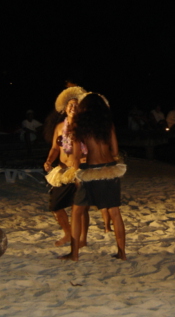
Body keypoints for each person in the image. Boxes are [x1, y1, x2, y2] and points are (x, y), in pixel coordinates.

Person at [67, 92, 127, 261]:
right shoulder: (108, 124)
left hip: (92, 170)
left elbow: (76, 156)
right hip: (110, 169)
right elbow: (115, 151)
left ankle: (74, 254)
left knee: (77, 211)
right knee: (115, 212)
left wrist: (76, 175)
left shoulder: (79, 125)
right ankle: (122, 253)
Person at [43, 85, 91, 248]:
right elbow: (55, 148)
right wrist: (49, 161)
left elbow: (92, 148)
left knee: (81, 207)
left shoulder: (85, 127)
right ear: (64, 109)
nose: (73, 107)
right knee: (55, 206)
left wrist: (87, 159)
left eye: (76, 105)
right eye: (70, 105)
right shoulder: (59, 127)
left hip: (80, 170)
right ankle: (68, 234)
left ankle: (83, 239)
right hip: (62, 171)